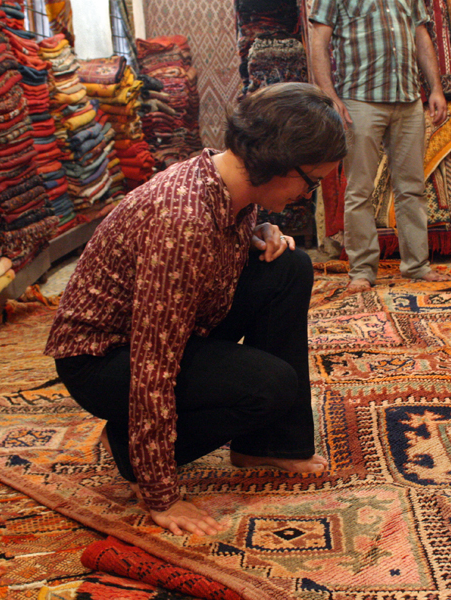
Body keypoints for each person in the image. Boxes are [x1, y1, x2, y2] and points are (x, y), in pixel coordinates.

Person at [44, 82, 347, 537]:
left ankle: (265, 444)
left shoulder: (229, 179)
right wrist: (160, 494)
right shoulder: (182, 221)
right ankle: (129, 450)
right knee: (269, 386)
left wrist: (260, 230)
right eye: (313, 181)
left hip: (170, 326)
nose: (309, 195)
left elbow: (217, 241)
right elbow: (152, 364)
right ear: (277, 162)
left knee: (290, 268)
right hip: (103, 360)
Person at [309, 0, 450, 293]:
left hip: (408, 98)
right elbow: (318, 40)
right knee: (360, 189)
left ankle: (417, 266)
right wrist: (328, 96)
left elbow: (421, 35)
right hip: (360, 100)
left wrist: (435, 88)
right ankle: (361, 271)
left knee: (412, 188)